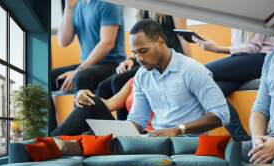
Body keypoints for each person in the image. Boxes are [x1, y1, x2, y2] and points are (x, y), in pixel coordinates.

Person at [53, 19, 230, 137]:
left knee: (90, 138)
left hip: (185, 141)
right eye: (135, 53)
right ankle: (51, 143)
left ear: (160, 42)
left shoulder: (192, 70)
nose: (139, 59)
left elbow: (222, 114)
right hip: (153, 140)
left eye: (143, 51)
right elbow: (137, 121)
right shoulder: (142, 76)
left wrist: (177, 130)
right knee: (90, 104)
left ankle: (48, 145)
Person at [95, 10, 192, 120]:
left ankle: (125, 130)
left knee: (119, 81)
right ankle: (105, 132)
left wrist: (188, 65)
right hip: (147, 57)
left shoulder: (172, 6)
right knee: (103, 87)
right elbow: (139, 43)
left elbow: (183, 38)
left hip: (165, 59)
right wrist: (131, 59)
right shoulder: (142, 9)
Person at [50, 0, 126, 130]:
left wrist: (78, 70)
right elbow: (63, 40)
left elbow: (107, 43)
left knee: (81, 77)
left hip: (113, 65)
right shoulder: (78, 6)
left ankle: (79, 132)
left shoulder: (109, 3)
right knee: (47, 77)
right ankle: (50, 130)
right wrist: (68, 7)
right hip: (88, 65)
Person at [191, 31, 274, 141]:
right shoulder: (234, 22)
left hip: (262, 59)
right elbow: (239, 51)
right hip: (244, 62)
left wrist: (217, 48)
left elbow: (254, 48)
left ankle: (240, 138)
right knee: (213, 92)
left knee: (199, 73)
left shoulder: (253, 16)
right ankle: (241, 138)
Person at [242, 50, 274, 164]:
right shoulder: (272, 57)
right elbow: (260, 108)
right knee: (227, 153)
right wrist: (257, 141)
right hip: (269, 138)